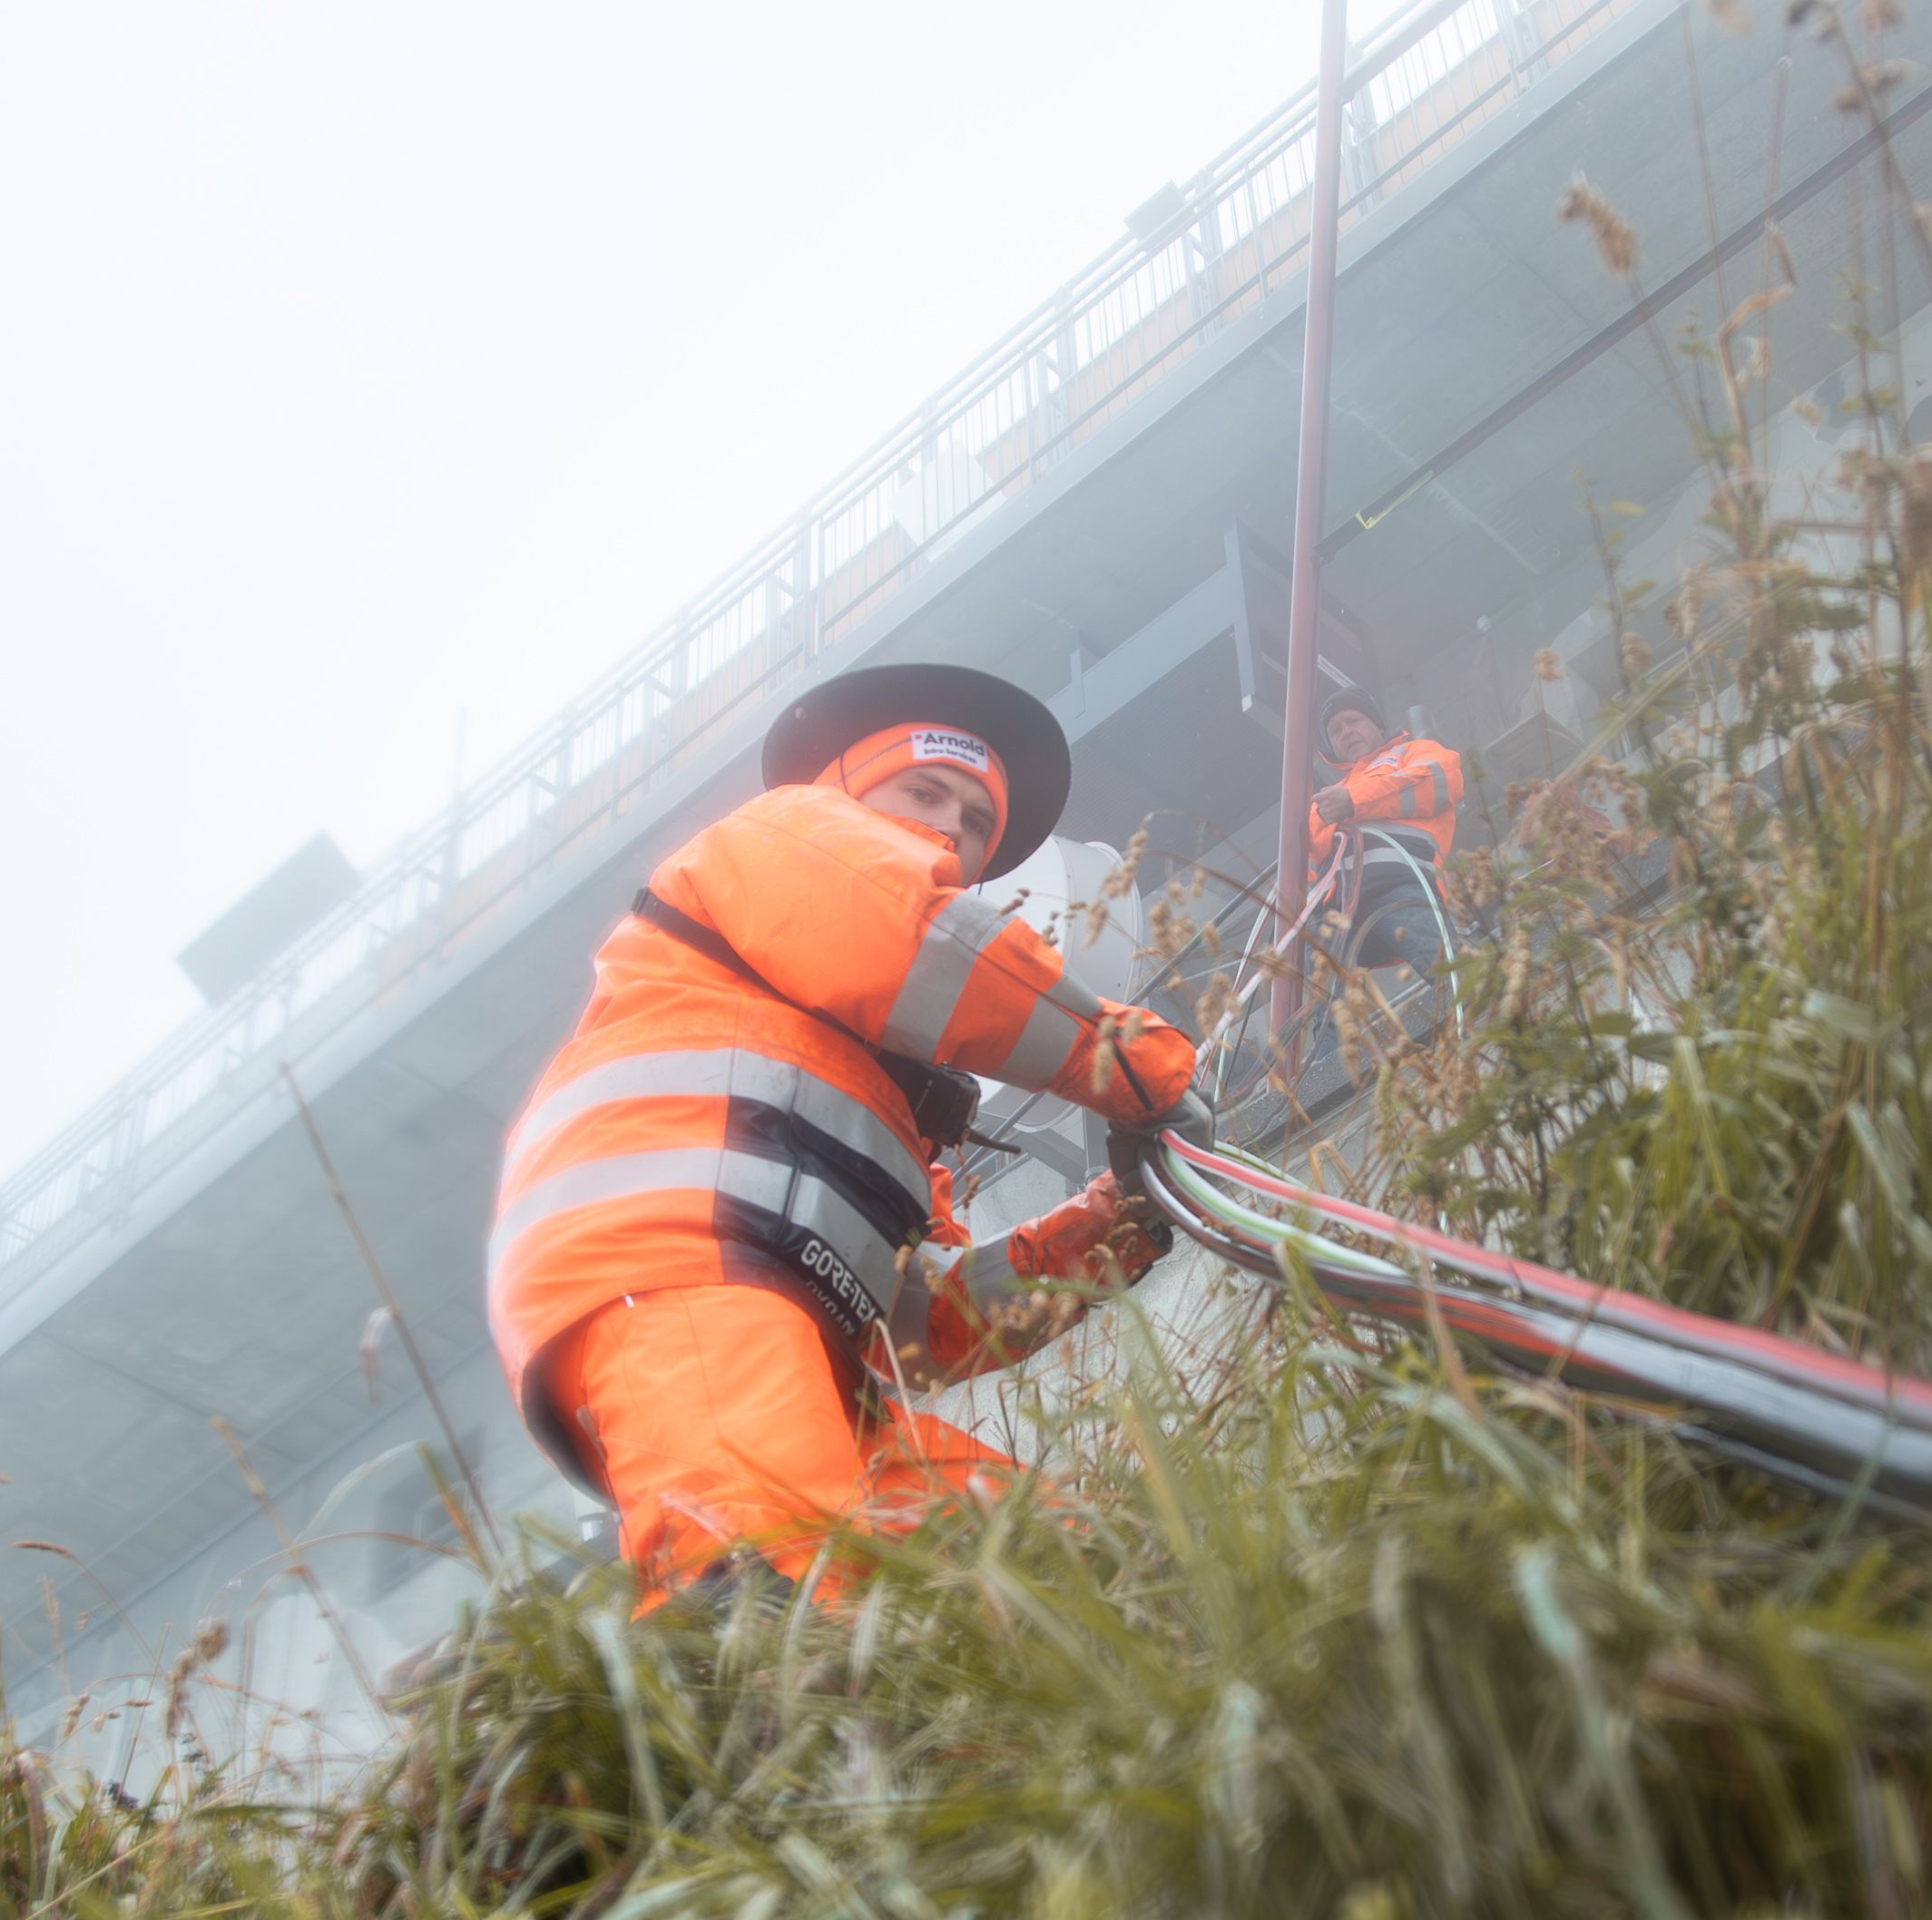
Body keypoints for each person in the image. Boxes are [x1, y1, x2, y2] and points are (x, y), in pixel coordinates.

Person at [487, 661, 1201, 1600]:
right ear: (849, 791)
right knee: (768, 1593)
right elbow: (921, 942)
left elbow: (926, 1322)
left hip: (814, 1356)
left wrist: (1118, 1224)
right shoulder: (791, 836)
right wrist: (1142, 1069)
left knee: (1075, 1585)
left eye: (976, 821)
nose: (952, 826)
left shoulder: (872, 1091)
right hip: (676, 1280)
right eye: (925, 790)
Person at [1303, 700, 1466, 975]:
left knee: (1452, 975)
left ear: (1378, 725)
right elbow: (1307, 861)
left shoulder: (1414, 751)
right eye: (1335, 731)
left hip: (1397, 885)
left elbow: (1436, 781)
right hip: (1334, 913)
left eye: (1353, 720)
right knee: (1321, 1007)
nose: (1346, 732)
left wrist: (1353, 802)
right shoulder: (1330, 796)